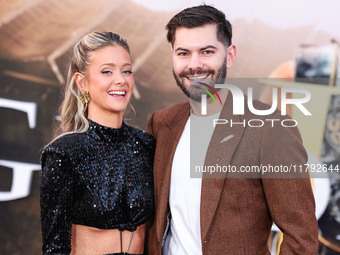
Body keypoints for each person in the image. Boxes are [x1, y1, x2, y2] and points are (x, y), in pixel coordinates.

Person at [146, 5, 318, 255]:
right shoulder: (161, 123)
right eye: (183, 53)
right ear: (173, 55)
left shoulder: (271, 127)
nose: (194, 65)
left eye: (206, 51)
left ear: (230, 55)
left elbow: (301, 239)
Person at [40, 31, 155, 255]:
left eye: (127, 70)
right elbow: (55, 248)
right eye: (107, 71)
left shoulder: (147, 146)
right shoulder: (64, 153)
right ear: (82, 82)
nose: (120, 79)